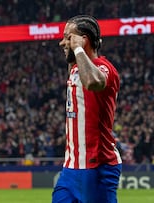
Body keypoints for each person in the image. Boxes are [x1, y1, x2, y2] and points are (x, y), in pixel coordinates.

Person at [52, 15, 122, 203]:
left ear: (84, 40)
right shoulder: (76, 69)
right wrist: (74, 50)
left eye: (68, 37)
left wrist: (78, 48)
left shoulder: (105, 68)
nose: (62, 43)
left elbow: (93, 83)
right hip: (70, 167)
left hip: (97, 166)